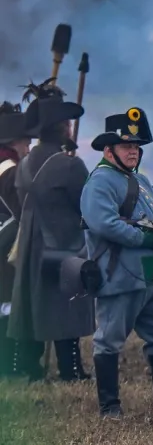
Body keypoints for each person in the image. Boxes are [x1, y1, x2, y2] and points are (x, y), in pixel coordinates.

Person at [80, 107, 153, 417]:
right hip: (118, 275)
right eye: (127, 146)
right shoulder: (99, 182)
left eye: (136, 147)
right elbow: (104, 224)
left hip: (149, 273)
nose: (133, 152)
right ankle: (110, 407)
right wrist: (146, 237)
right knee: (109, 341)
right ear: (108, 150)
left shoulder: (140, 179)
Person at [7, 79, 94, 382]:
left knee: (33, 304)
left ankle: (27, 368)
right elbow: (84, 206)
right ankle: (71, 370)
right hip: (62, 245)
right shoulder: (71, 166)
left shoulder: (25, 163)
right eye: (67, 121)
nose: (71, 125)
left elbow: (21, 207)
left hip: (31, 244)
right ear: (60, 127)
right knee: (65, 307)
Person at [0, 101, 30, 378]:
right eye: (25, 140)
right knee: (7, 305)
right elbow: (22, 211)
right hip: (5, 246)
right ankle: (9, 368)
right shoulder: (9, 169)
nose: (28, 145)